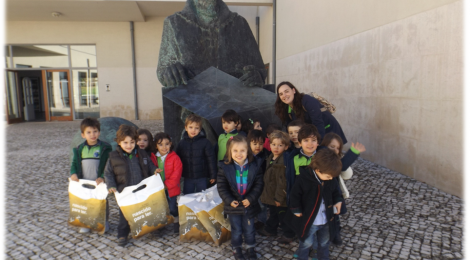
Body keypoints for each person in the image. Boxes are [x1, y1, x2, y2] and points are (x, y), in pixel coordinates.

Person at [104, 125, 158, 247]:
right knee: (125, 215)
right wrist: (111, 185)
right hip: (125, 191)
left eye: (132, 142)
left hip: (140, 189)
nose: (129, 145)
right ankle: (122, 234)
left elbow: (149, 165)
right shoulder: (113, 157)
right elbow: (108, 173)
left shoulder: (142, 153)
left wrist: (154, 170)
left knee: (144, 210)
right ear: (119, 142)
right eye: (125, 142)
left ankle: (150, 228)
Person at [285, 148, 343, 260]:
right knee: (306, 243)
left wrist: (338, 201)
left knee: (324, 243)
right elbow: (294, 195)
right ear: (317, 170)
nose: (331, 179)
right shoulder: (303, 179)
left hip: (326, 219)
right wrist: (296, 209)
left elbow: (336, 191)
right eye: (328, 176)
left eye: (332, 177)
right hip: (310, 220)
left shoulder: (330, 179)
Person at [217, 135, 264, 260]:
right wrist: (229, 200)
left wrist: (251, 198)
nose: (239, 154)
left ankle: (250, 247)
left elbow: (259, 185)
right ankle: (236, 248)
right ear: (230, 152)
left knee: (249, 228)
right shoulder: (225, 167)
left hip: (249, 204)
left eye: (242, 150)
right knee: (236, 229)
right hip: (234, 206)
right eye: (235, 151)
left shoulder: (254, 166)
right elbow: (222, 187)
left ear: (248, 151)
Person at [319, 133, 366, 246]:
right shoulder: (321, 159)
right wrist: (353, 153)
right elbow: (342, 165)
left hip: (334, 194)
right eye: (332, 146)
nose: (335, 150)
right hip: (322, 193)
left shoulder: (336, 162)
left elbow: (342, 167)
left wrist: (353, 153)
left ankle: (335, 234)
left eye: (338, 148)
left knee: (335, 215)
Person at [70, 118, 112, 234]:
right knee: (85, 201)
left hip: (99, 181)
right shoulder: (80, 149)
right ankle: (86, 222)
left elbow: (109, 164)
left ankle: (103, 221)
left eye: (95, 131)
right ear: (83, 135)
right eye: (88, 132)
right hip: (85, 180)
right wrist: (73, 173)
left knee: (101, 201)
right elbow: (74, 163)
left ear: (99, 132)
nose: (92, 134)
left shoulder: (104, 148)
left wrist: (103, 176)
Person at [274, 81, 347, 144]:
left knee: (329, 156)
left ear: (293, 90)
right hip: (313, 135)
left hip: (328, 130)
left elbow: (318, 122)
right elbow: (289, 128)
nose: (284, 95)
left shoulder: (307, 100)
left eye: (286, 91)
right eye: (281, 94)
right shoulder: (286, 108)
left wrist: (318, 144)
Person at [258, 130, 296, 243]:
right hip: (271, 194)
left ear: (286, 147)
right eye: (273, 144)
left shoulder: (283, 161)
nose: (276, 147)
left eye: (280, 145)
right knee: (273, 213)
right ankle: (271, 229)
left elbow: (282, 182)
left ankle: (289, 234)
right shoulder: (271, 157)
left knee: (282, 216)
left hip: (279, 197)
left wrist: (279, 198)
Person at [176, 114, 217, 194]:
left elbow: (211, 160)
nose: (193, 130)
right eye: (191, 127)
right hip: (188, 177)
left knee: (202, 196)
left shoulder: (205, 143)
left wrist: (213, 175)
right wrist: (177, 176)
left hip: (202, 177)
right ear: (186, 128)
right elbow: (177, 161)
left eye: (196, 128)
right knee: (188, 196)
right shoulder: (181, 143)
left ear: (200, 129)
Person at [154, 132, 183, 234]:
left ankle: (176, 221)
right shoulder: (154, 158)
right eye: (160, 144)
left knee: (172, 207)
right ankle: (162, 224)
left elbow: (177, 174)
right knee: (161, 207)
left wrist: (167, 184)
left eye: (167, 144)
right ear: (156, 146)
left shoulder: (175, 158)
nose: (164, 147)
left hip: (171, 189)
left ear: (171, 144)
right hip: (158, 189)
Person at [247, 129, 270, 230]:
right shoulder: (245, 155)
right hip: (248, 184)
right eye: (255, 143)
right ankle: (249, 220)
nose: (258, 146)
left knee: (262, 204)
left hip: (262, 184)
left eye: (261, 144)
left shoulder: (266, 155)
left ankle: (261, 221)